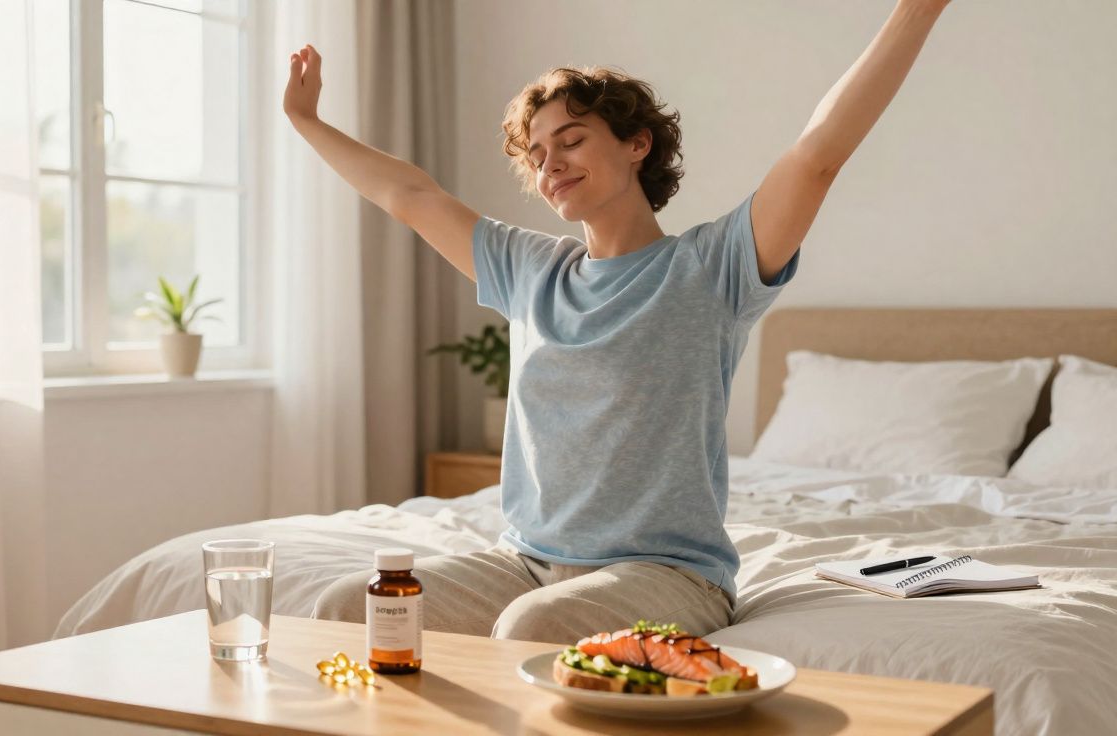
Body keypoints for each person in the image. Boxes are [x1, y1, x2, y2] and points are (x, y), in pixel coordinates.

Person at [285, 0, 952, 644]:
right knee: (349, 606)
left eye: (571, 141)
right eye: (538, 156)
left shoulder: (710, 268)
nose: (552, 166)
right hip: (525, 562)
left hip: (665, 574)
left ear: (638, 144)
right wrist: (307, 120)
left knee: (533, 628)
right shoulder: (528, 270)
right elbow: (410, 195)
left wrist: (915, 10)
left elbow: (815, 157)